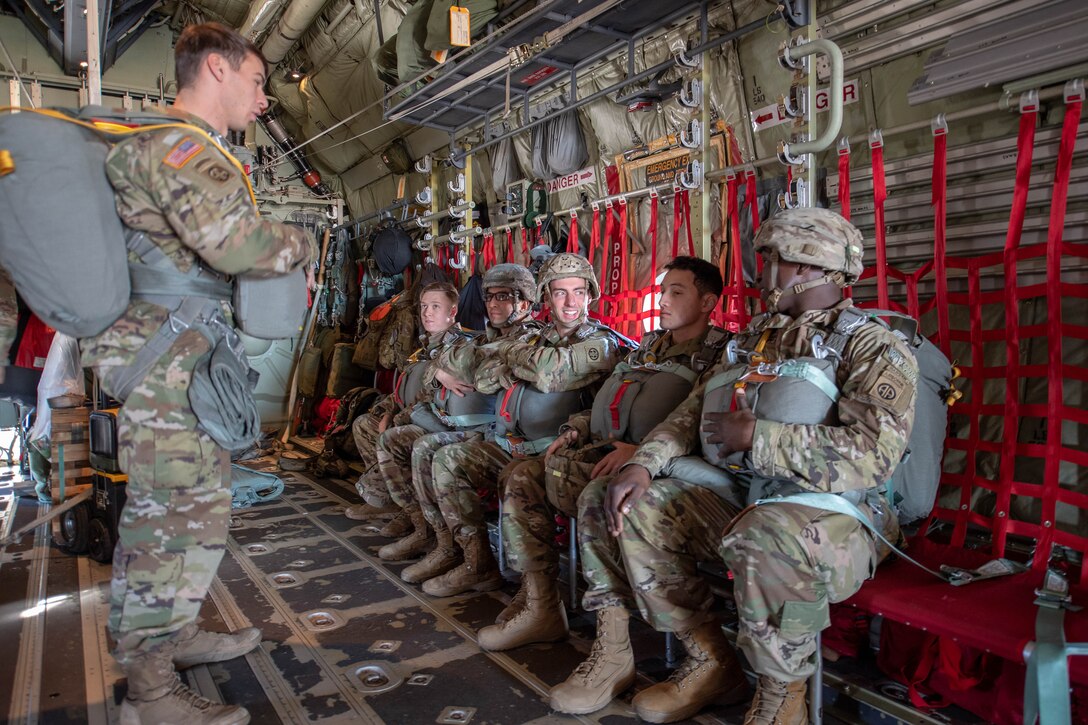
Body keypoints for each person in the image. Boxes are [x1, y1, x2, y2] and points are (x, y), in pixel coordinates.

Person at [554, 207, 916, 724]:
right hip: (748, 497)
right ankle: (706, 658)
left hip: (838, 515)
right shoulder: (756, 337)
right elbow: (691, 412)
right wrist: (646, 465)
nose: (763, 270)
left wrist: (760, 438)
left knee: (764, 534)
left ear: (809, 265)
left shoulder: (872, 345)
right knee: (619, 499)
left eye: (773, 259)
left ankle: (781, 694)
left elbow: (873, 457)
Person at [77, 23, 315, 725]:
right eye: (256, 79)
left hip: (183, 361)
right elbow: (239, 245)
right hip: (166, 365)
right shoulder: (180, 148)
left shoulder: (187, 151)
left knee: (196, 511)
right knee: (167, 523)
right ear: (217, 68)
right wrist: (298, 240)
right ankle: (149, 695)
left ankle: (174, 637)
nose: (264, 97)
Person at [475, 256, 728, 653]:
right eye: (662, 291)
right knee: (523, 475)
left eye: (675, 293)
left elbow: (699, 422)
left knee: (596, 495)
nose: (661, 301)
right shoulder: (649, 347)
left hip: (661, 470)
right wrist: (576, 426)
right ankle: (541, 602)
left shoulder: (719, 356)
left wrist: (641, 454)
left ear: (708, 302)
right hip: (607, 452)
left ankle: (616, 646)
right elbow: (608, 400)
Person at [420, 253, 629, 598]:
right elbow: (484, 378)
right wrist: (520, 360)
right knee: (448, 460)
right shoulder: (536, 341)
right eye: (560, 293)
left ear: (590, 295)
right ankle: (477, 562)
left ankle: (537, 598)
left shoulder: (599, 343)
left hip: (558, 451)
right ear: (546, 298)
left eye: (579, 291)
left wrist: (512, 357)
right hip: (512, 444)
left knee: (520, 478)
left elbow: (548, 373)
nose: (571, 302)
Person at [373, 264, 539, 575]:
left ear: (526, 303)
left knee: (431, 451)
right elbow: (446, 362)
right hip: (484, 433)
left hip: (497, 436)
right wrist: (440, 370)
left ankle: (474, 560)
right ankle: (436, 539)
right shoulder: (481, 340)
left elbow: (482, 376)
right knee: (396, 440)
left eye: (504, 297)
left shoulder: (532, 343)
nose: (493, 304)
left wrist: (457, 367)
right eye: (489, 297)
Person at [345, 282, 468, 528]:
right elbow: (405, 386)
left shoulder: (461, 347)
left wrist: (397, 420)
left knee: (393, 438)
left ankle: (411, 511)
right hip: (408, 414)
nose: (427, 313)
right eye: (424, 306)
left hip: (436, 423)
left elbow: (434, 399)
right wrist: (388, 411)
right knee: (363, 425)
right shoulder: (424, 346)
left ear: (452, 311)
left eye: (435, 306)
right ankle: (387, 497)